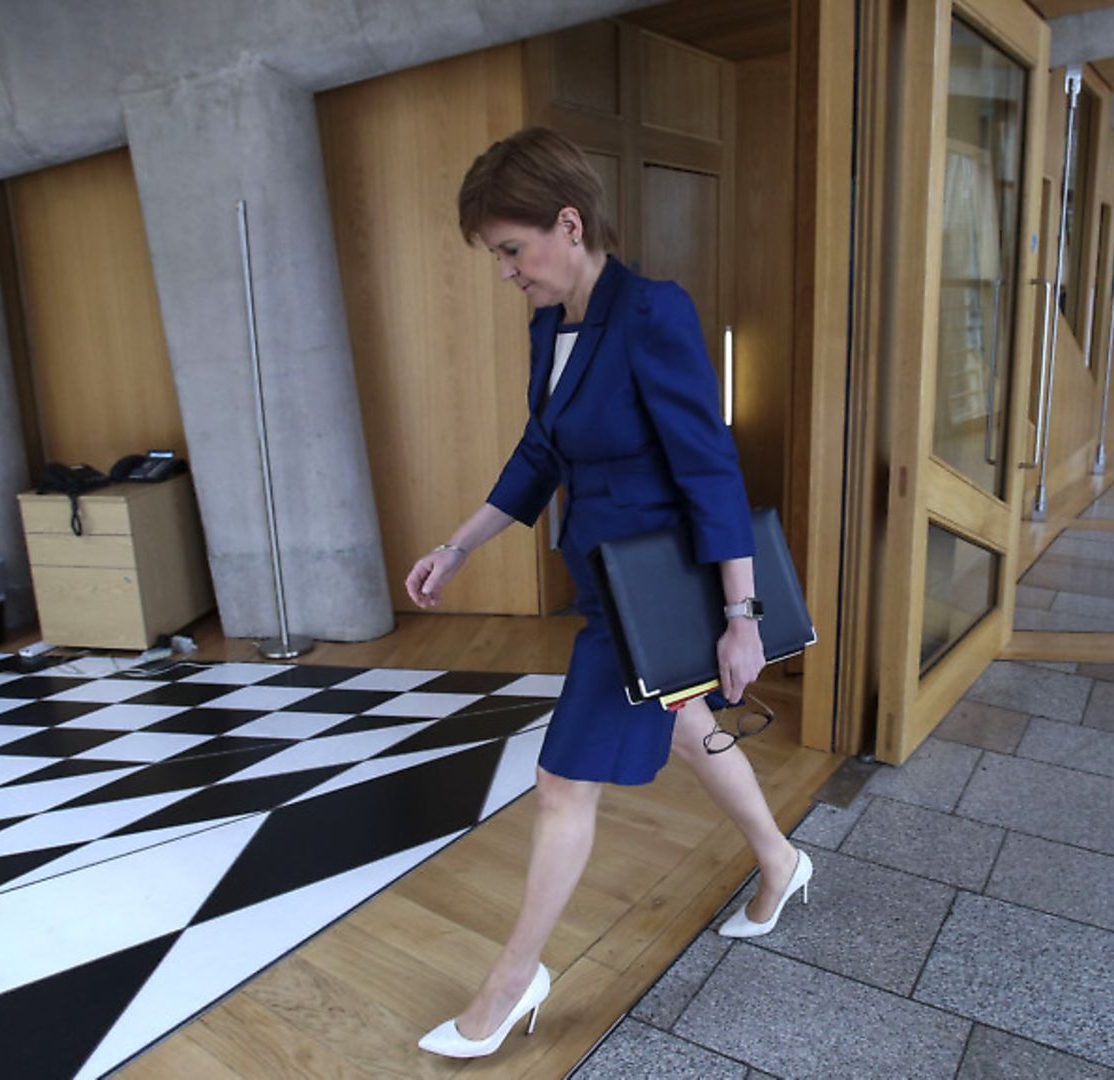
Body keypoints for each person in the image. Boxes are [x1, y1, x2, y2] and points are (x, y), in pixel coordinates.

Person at [402, 127, 813, 1060]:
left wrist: (742, 617)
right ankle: (781, 861)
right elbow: (541, 449)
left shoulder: (652, 313)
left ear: (569, 223)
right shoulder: (551, 324)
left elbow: (710, 468)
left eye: (511, 250)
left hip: (652, 597)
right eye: (497, 256)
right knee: (687, 724)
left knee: (560, 784)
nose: (506, 272)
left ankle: (513, 981)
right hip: (606, 585)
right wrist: (459, 545)